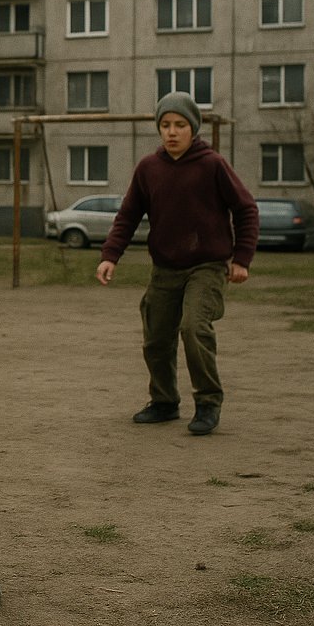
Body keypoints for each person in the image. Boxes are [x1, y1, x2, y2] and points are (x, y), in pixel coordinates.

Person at [96, 92, 258, 436]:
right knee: (156, 338)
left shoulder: (212, 164)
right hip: (165, 269)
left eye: (180, 125)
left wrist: (241, 258)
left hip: (207, 266)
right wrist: (111, 255)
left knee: (194, 328)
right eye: (166, 125)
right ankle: (165, 401)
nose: (172, 132)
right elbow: (128, 215)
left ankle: (208, 403)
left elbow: (246, 209)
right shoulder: (148, 168)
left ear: (193, 128)